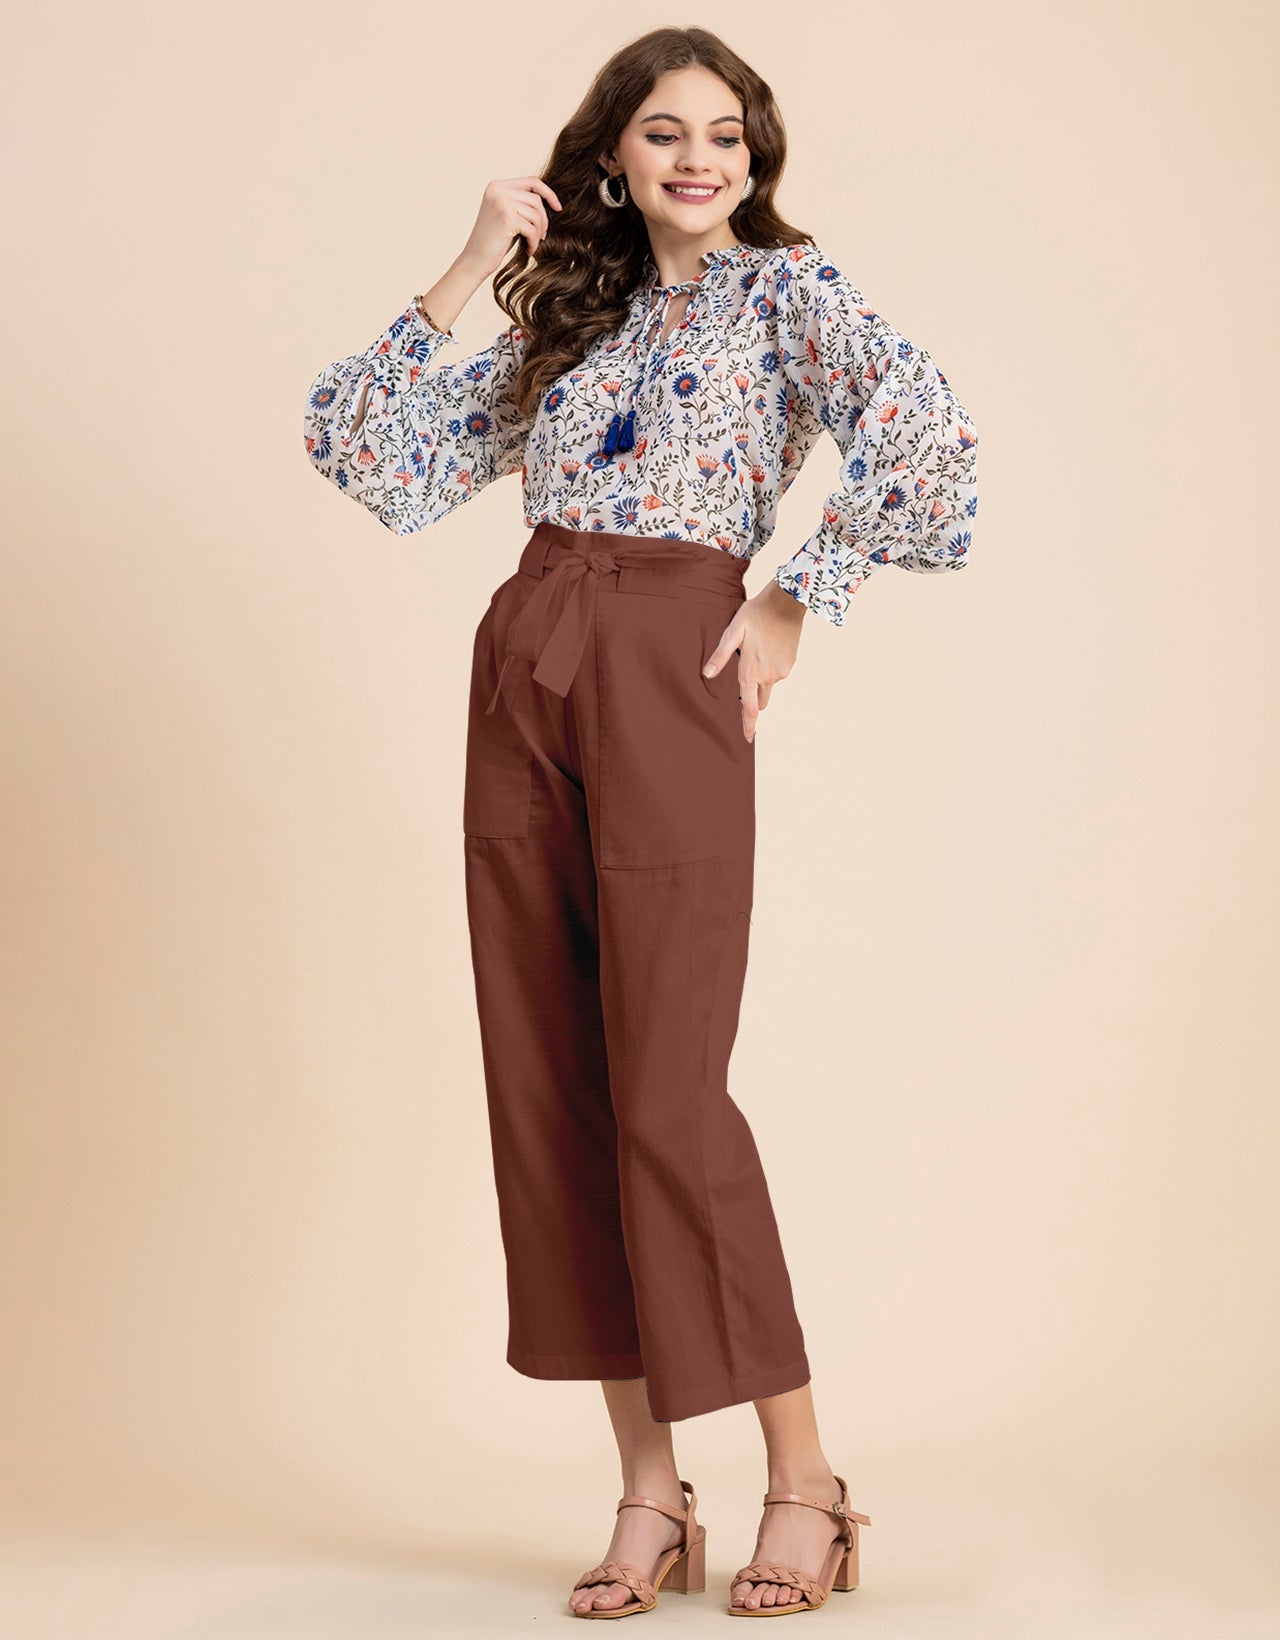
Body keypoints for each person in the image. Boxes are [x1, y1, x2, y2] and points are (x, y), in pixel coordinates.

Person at [303, 25, 977, 1622]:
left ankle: (805, 1482)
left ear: (756, 156)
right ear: (610, 153)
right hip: (528, 654)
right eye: (665, 132)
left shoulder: (789, 295)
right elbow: (366, 454)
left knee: (669, 1089)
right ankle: (649, 1493)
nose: (699, 159)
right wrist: (470, 261)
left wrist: (802, 591)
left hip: (674, 659)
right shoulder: (569, 317)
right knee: (558, 1086)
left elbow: (931, 435)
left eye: (726, 134)